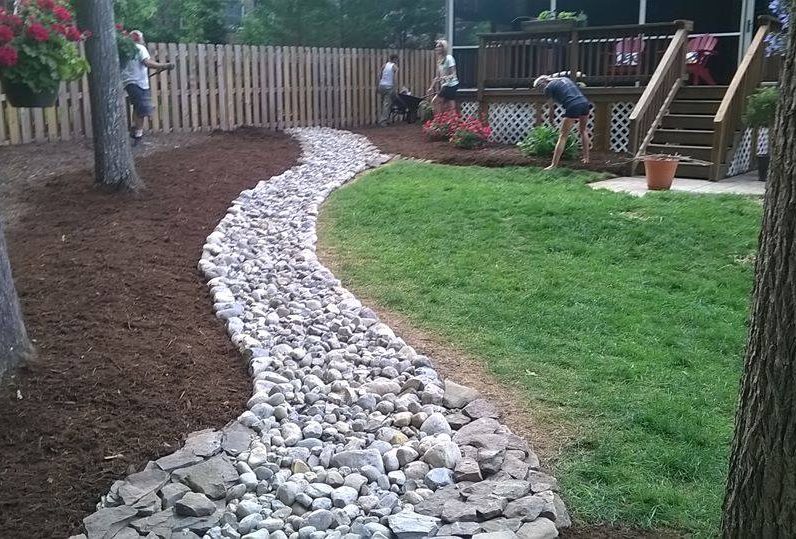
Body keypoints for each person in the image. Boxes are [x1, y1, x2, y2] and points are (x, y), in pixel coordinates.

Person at [121, 30, 175, 142]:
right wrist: (164, 65)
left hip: (129, 82)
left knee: (138, 107)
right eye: (142, 38)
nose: (143, 40)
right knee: (143, 108)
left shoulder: (125, 50)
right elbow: (147, 63)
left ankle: (135, 131)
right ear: (138, 39)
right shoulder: (140, 48)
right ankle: (137, 135)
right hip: (138, 82)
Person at [533, 74, 592, 170]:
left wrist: (551, 121)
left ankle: (553, 165)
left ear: (541, 84)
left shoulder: (548, 88)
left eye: (538, 88)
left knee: (563, 136)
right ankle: (586, 158)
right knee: (583, 130)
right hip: (584, 103)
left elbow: (551, 108)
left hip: (573, 105)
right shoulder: (564, 79)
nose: (540, 91)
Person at [428, 39, 459, 115]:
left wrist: (445, 77)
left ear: (443, 48)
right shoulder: (439, 60)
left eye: (439, 47)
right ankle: (450, 121)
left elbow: (454, 74)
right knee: (449, 104)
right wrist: (431, 87)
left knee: (436, 101)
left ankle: (439, 119)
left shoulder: (449, 58)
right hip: (445, 85)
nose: (437, 48)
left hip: (451, 84)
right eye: (436, 47)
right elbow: (437, 76)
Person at [378, 54, 399, 126]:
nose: (397, 61)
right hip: (389, 86)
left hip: (381, 86)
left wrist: (379, 85)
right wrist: (395, 87)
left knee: (385, 103)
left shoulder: (384, 65)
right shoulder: (395, 67)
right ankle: (383, 121)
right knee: (387, 104)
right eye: (397, 59)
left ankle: (386, 119)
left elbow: (379, 75)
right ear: (395, 59)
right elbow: (395, 79)